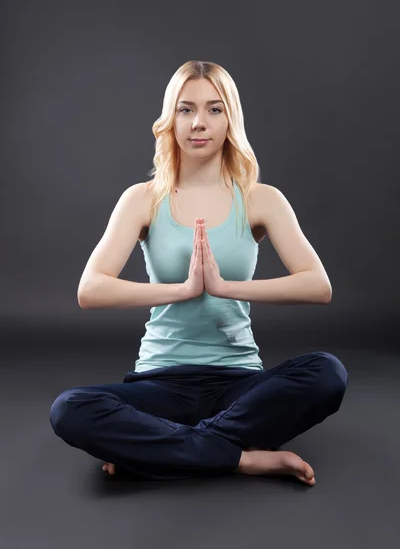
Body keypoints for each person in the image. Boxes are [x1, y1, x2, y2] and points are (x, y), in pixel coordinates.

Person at [49, 60, 348, 486]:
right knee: (70, 408)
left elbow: (319, 286)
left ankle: (159, 452)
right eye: (186, 109)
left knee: (327, 372)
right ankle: (241, 458)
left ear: (231, 118)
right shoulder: (143, 199)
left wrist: (225, 287)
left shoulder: (261, 200)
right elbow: (90, 289)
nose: (198, 123)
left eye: (214, 109)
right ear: (170, 119)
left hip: (239, 385)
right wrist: (183, 289)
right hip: (159, 384)